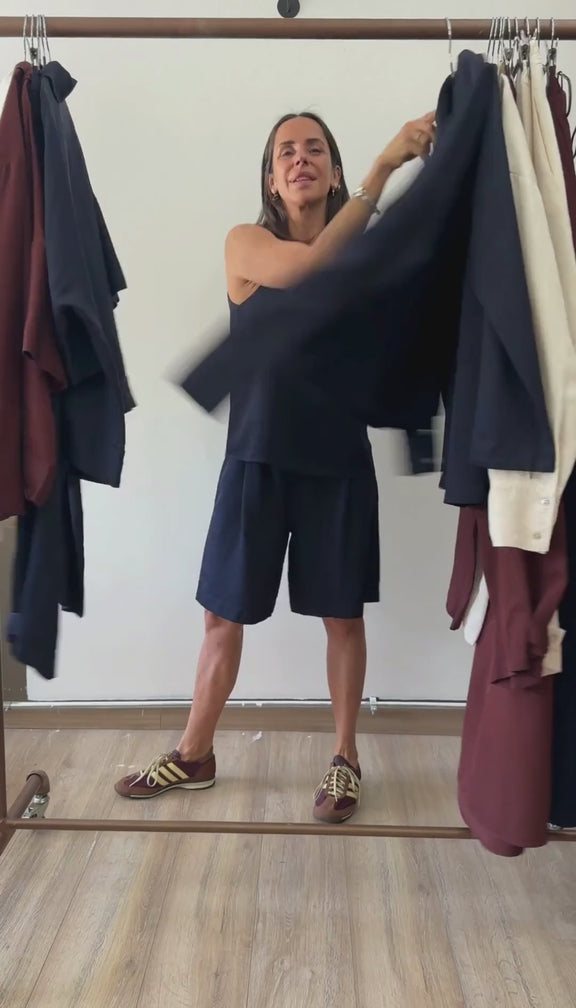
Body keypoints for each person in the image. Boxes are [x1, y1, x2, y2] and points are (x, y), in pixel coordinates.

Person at [115, 109, 436, 822]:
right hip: (256, 460)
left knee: (342, 618)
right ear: (270, 178)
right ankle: (194, 754)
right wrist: (386, 167)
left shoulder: (365, 254)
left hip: (337, 463)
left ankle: (345, 759)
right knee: (222, 617)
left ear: (332, 170)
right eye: (286, 152)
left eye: (315, 149)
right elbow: (308, 270)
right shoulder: (247, 243)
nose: (300, 159)